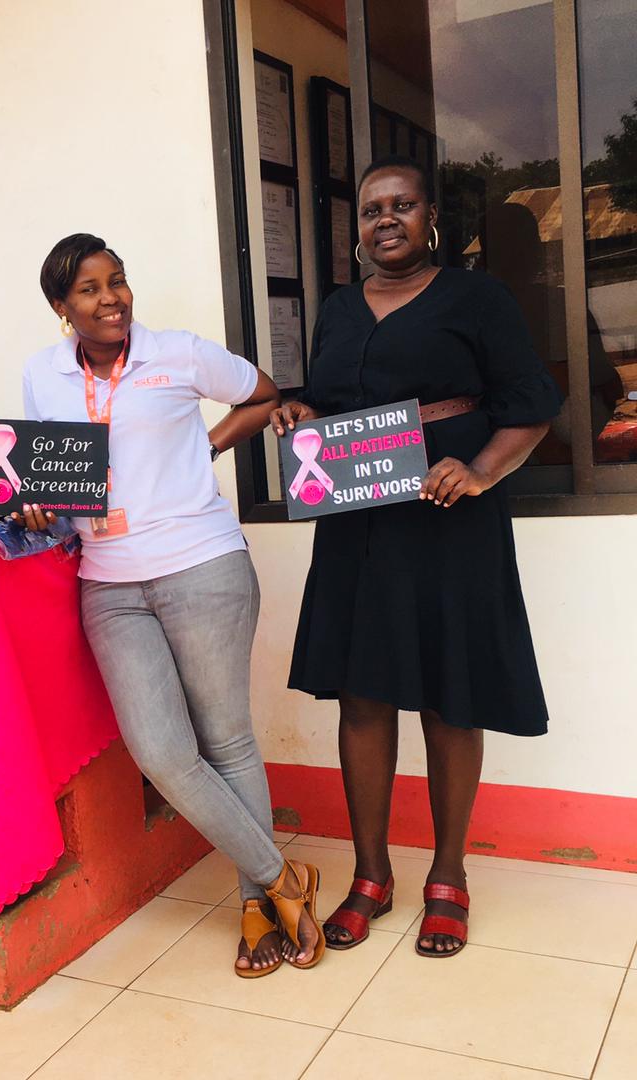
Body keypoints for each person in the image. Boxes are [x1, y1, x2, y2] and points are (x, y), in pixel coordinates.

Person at [273, 156, 561, 958]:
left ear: (431, 217)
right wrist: (299, 409)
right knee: (363, 697)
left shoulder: (478, 298)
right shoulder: (336, 308)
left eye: (402, 205)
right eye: (371, 210)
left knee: (449, 695)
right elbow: (328, 402)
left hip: (447, 522)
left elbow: (531, 402)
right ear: (358, 227)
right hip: (360, 525)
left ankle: (447, 876)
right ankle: (372, 876)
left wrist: (479, 470)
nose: (386, 219)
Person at [17, 233, 325, 976]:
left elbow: (263, 394)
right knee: (160, 752)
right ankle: (287, 880)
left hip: (201, 563)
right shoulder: (42, 376)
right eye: (89, 289)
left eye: (117, 281)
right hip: (109, 584)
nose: (111, 297)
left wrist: (208, 447)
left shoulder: (178, 353)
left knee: (227, 742)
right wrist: (36, 503)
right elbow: (57, 474)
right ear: (62, 308)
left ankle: (257, 908)